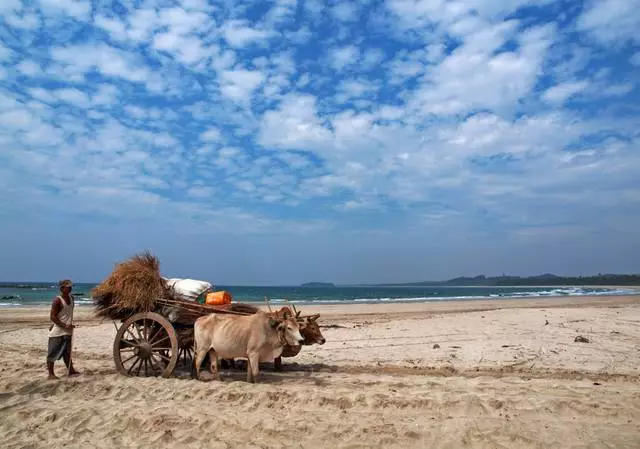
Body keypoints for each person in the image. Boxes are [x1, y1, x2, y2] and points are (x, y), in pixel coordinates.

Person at [47, 279, 80, 379]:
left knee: (67, 353)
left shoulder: (72, 298)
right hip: (58, 332)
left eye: (71, 287)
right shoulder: (57, 300)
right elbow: (52, 316)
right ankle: (51, 374)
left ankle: (71, 370)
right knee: (52, 353)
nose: (70, 288)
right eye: (68, 287)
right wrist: (64, 325)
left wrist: (69, 325)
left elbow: (68, 314)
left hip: (68, 331)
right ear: (62, 288)